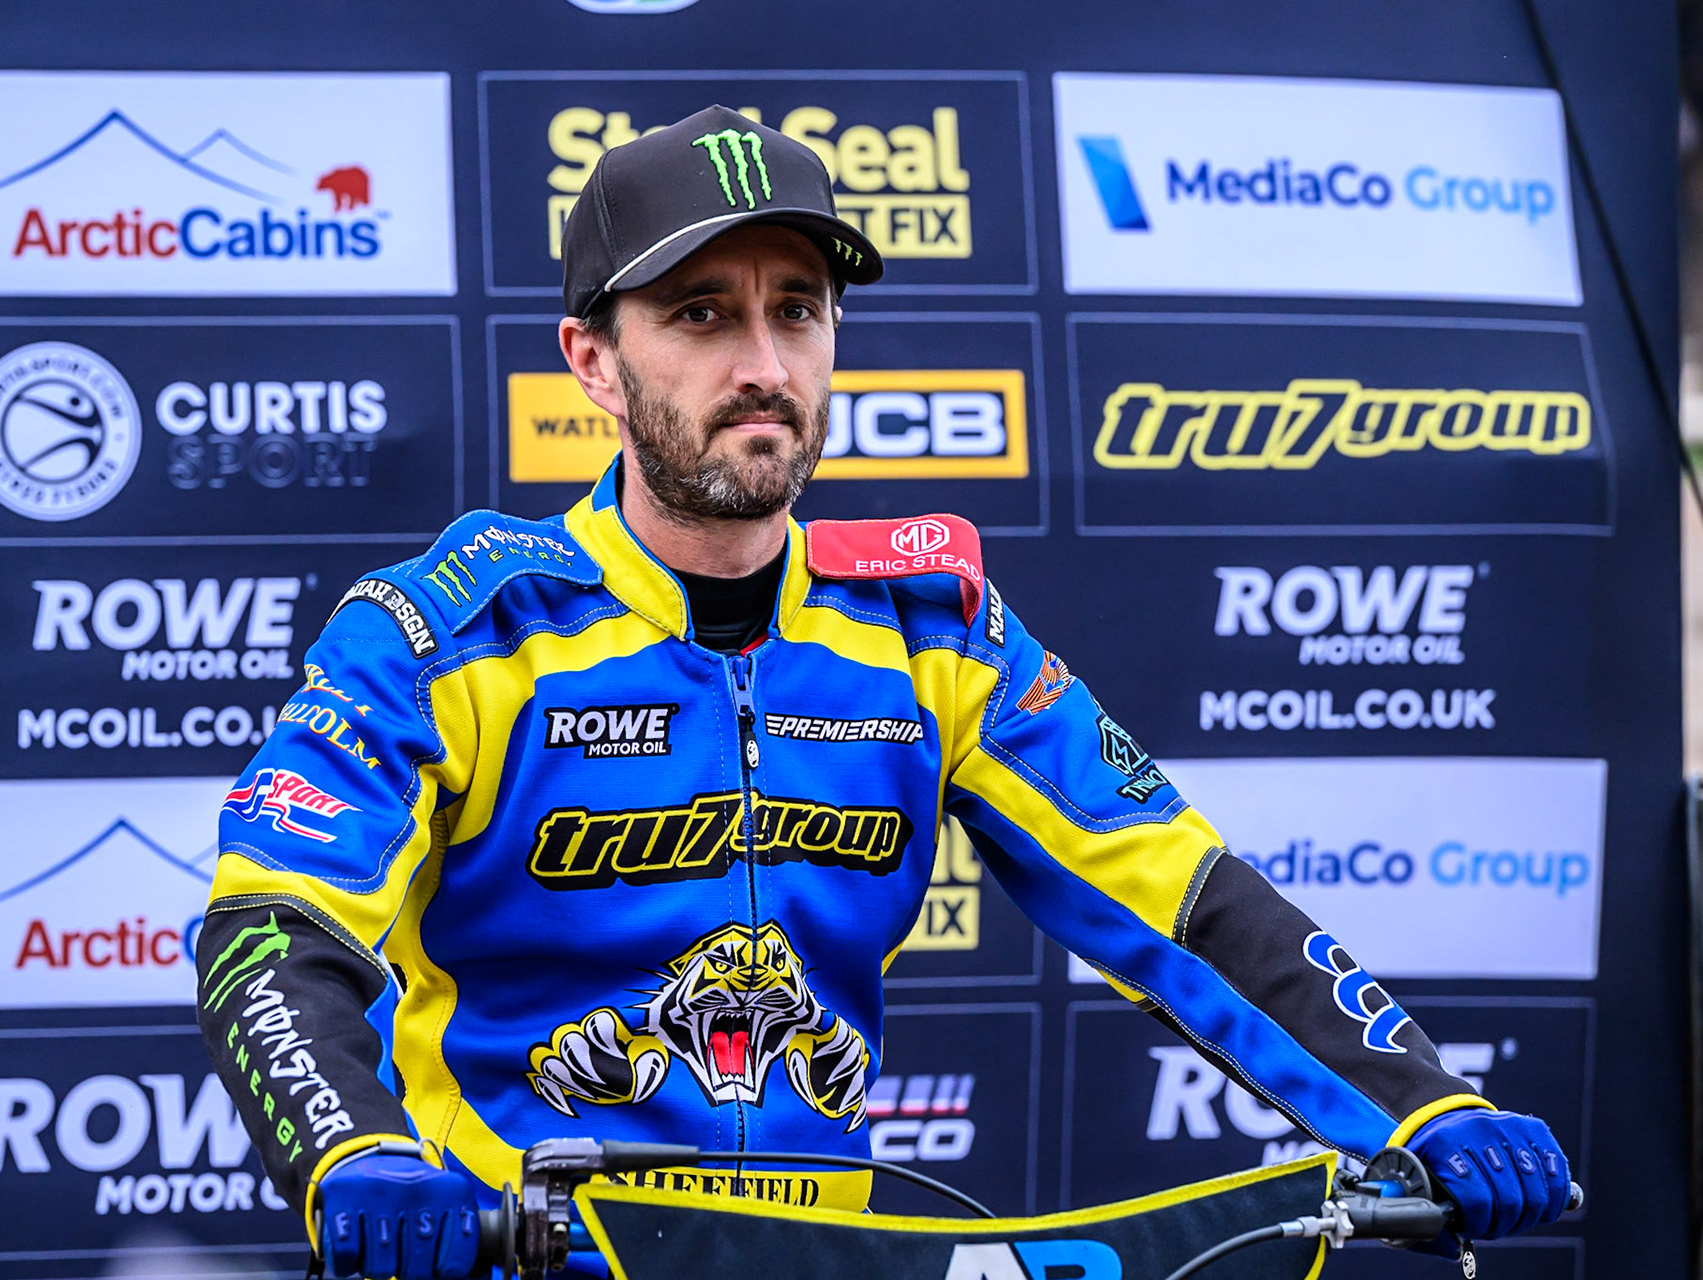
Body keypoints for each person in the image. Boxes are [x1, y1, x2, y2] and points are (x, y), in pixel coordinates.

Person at [196, 106, 1573, 1280]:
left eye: (796, 311)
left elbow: (1186, 901)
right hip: (535, 1250)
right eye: (700, 314)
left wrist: (1420, 1105)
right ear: (593, 361)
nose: (764, 366)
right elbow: (273, 930)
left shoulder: (929, 630)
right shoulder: (450, 631)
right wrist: (356, 1154)